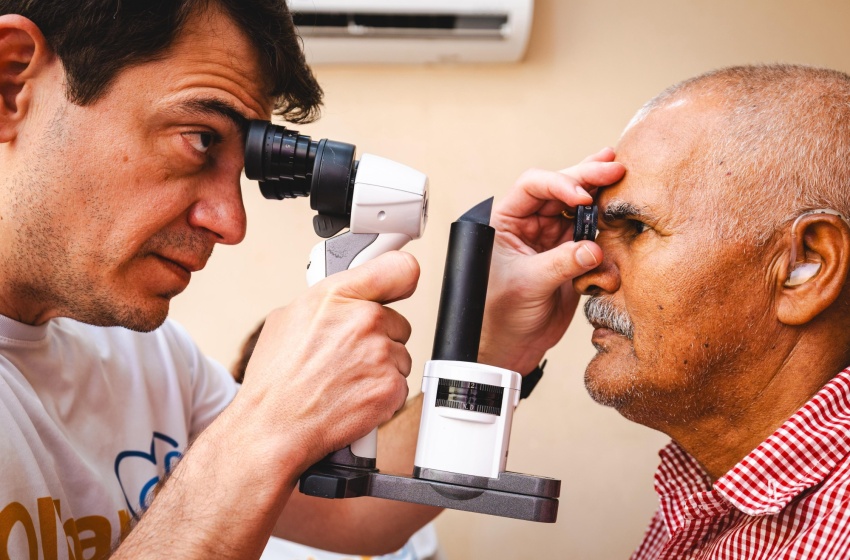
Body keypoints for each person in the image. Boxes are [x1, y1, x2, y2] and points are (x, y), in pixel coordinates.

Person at [0, 1, 608, 558]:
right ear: (10, 83)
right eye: (199, 138)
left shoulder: (149, 357)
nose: (231, 223)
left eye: (240, 172)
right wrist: (267, 420)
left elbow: (350, 519)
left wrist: (497, 345)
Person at [487, 64, 850, 558]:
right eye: (593, 233)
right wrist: (499, 350)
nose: (585, 274)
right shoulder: (710, 489)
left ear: (805, 266)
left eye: (635, 228)